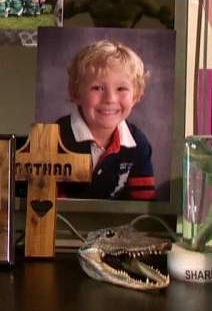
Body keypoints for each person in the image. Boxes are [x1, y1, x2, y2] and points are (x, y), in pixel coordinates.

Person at [56, 40, 155, 200]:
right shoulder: (54, 138)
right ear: (75, 92)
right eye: (97, 88)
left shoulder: (138, 144)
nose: (110, 99)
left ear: (136, 95)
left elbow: (144, 207)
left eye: (121, 88)